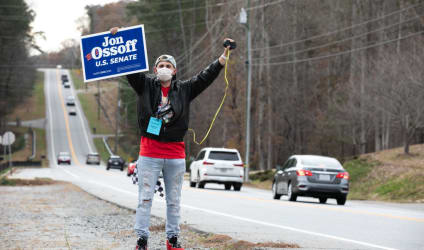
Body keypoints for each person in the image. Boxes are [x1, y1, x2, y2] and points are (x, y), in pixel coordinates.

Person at [110, 27, 235, 250]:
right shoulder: (144, 85)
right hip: (149, 153)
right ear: (155, 69)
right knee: (144, 199)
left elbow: (204, 78)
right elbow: (129, 67)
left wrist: (221, 60)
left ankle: (173, 239)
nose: (164, 69)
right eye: (161, 65)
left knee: (174, 201)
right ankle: (141, 239)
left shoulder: (184, 90)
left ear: (175, 71)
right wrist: (118, 39)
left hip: (176, 155)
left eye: (168, 66)